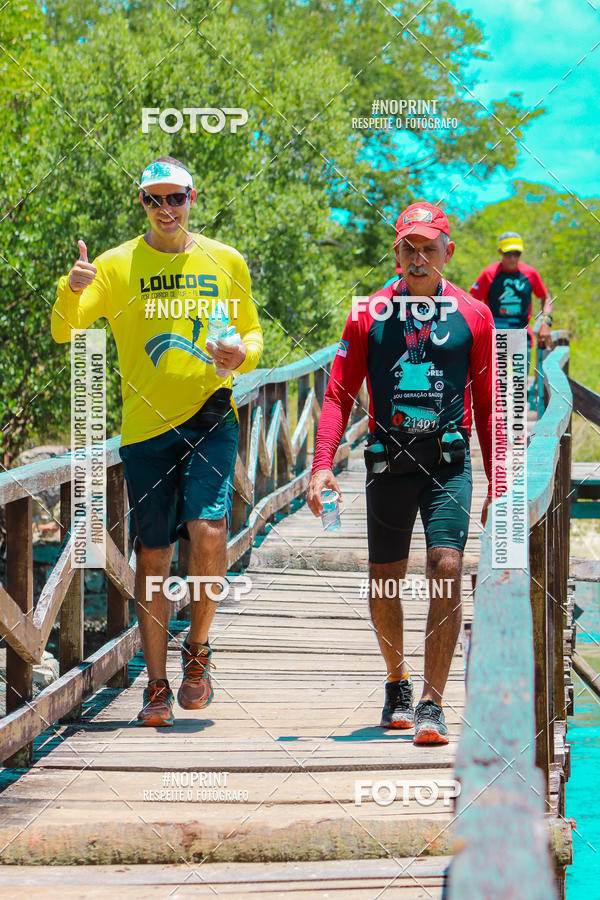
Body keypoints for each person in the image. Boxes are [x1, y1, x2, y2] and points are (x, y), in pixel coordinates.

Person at [52, 156, 263, 727]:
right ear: (142, 203)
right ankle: (156, 684)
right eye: (154, 199)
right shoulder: (114, 265)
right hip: (145, 429)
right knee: (153, 555)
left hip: (211, 415)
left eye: (176, 197)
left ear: (193, 198)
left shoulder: (225, 259)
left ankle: (197, 649)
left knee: (210, 528)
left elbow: (252, 333)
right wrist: (70, 289)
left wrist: (242, 355)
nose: (166, 208)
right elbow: (67, 330)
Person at [307, 201, 498, 745]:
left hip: (447, 464)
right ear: (396, 252)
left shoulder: (474, 316)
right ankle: (397, 682)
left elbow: (489, 405)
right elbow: (338, 394)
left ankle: (433, 704)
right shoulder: (368, 314)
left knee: (446, 565)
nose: (418, 259)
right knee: (384, 580)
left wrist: (500, 483)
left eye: (428, 249)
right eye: (408, 248)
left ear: (447, 252)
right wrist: (322, 466)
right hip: (389, 463)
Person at [469, 231, 553, 365]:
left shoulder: (530, 273)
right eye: (508, 254)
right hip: (496, 337)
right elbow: (473, 305)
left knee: (519, 378)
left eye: (517, 254)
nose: (513, 258)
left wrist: (545, 322)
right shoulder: (489, 274)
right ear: (500, 252)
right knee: (497, 378)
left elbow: (546, 298)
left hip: (521, 336)